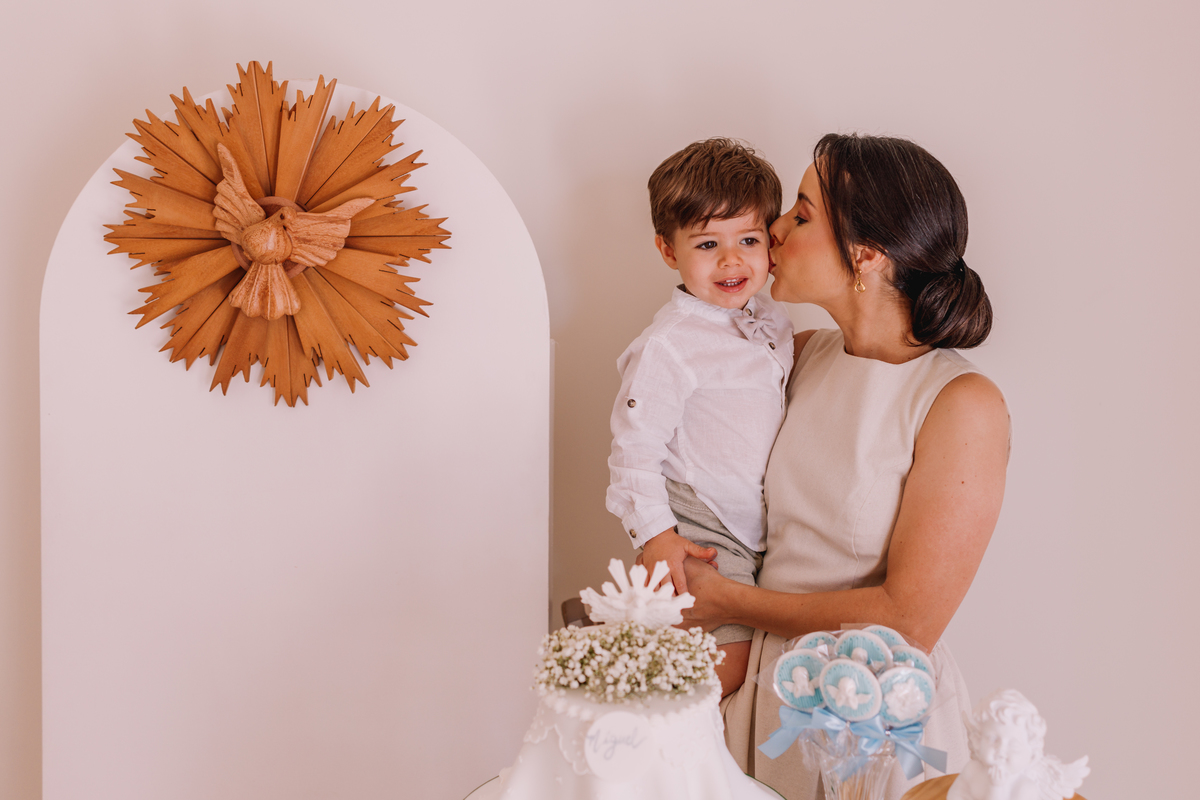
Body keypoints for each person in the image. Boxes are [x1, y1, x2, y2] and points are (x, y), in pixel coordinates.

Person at [680, 133, 1011, 799]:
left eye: (801, 214)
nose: (772, 230)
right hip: (756, 696)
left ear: (864, 256)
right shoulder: (794, 356)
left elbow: (909, 616)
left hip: (872, 717)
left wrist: (725, 601)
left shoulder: (960, 403)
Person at [606, 138, 795, 695]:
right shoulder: (670, 345)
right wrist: (656, 537)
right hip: (699, 520)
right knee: (719, 675)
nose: (732, 260)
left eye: (749, 240)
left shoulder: (769, 318)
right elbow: (633, 452)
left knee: (749, 668)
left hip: (753, 520)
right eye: (708, 243)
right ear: (669, 251)